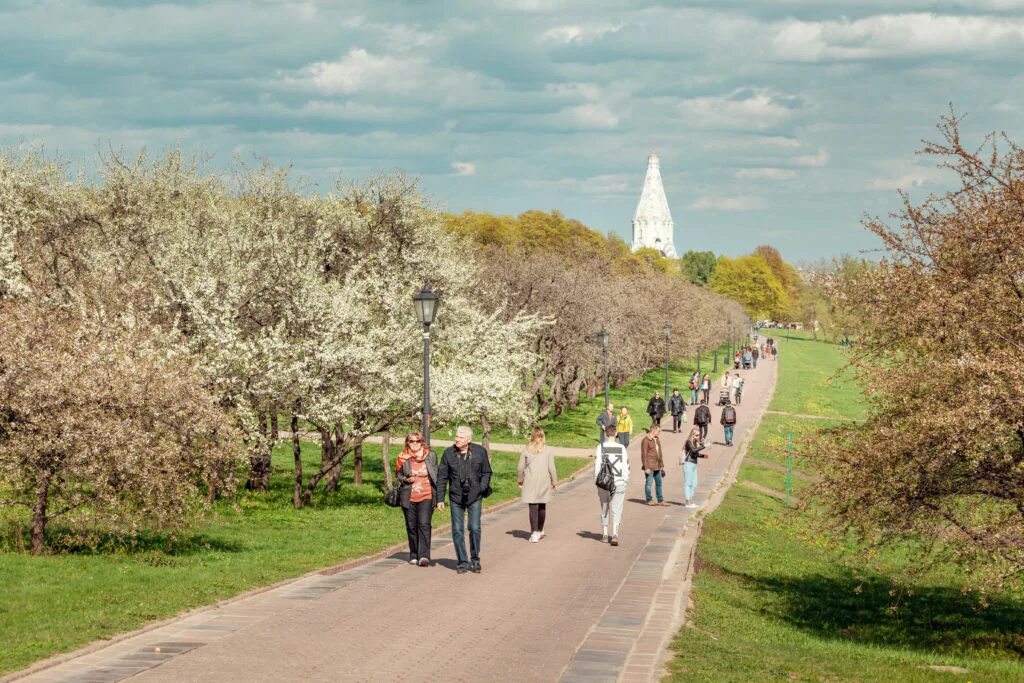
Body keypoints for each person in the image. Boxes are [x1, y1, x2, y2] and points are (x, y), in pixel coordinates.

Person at [436, 426, 493, 574]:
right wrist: (439, 498)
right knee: (457, 530)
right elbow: (442, 477)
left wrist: (481, 488)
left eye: (460, 437)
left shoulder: (480, 452)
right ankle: (462, 561)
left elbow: (487, 472)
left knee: (474, 527)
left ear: (468, 440)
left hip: (475, 496)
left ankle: (475, 559)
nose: (457, 439)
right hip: (456, 496)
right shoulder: (448, 453)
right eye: (456, 436)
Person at [395, 431, 438, 567]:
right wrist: (406, 479)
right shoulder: (402, 458)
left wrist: (439, 497)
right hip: (409, 496)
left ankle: (424, 555)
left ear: (422, 442)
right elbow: (398, 477)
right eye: (411, 441)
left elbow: (437, 476)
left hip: (426, 495)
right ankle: (414, 554)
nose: (414, 444)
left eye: (417, 441)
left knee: (424, 524)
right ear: (407, 442)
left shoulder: (430, 456)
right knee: (411, 526)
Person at [517, 427, 558, 543]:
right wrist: (554, 481)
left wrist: (520, 480)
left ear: (532, 436)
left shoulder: (526, 450)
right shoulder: (548, 450)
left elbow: (520, 467)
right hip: (544, 482)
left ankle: (535, 532)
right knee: (542, 506)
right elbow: (552, 468)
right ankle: (539, 529)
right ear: (543, 436)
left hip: (530, 481)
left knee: (533, 507)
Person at [594, 424, 629, 546]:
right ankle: (614, 533)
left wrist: (596, 480)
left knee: (604, 507)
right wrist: (625, 479)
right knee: (617, 508)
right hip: (618, 482)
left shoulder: (600, 447)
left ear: (606, 433)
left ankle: (604, 533)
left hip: (604, 482)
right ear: (616, 433)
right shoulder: (621, 448)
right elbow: (625, 466)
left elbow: (598, 465)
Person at [681, 427, 707, 508]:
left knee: (694, 483)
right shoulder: (688, 442)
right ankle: (688, 502)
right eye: (696, 435)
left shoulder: (695, 442)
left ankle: (690, 500)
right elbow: (694, 450)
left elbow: (695, 454)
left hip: (694, 464)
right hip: (688, 464)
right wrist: (704, 446)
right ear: (692, 435)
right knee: (688, 483)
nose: (698, 436)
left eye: (699, 435)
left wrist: (703, 455)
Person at [641, 424, 666, 506]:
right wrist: (646, 467)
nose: (659, 432)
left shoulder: (657, 439)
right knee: (649, 484)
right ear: (654, 430)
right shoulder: (646, 440)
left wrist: (661, 465)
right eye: (659, 431)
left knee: (659, 483)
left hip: (657, 466)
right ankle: (649, 499)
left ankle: (660, 500)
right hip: (650, 466)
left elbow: (660, 453)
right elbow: (644, 455)